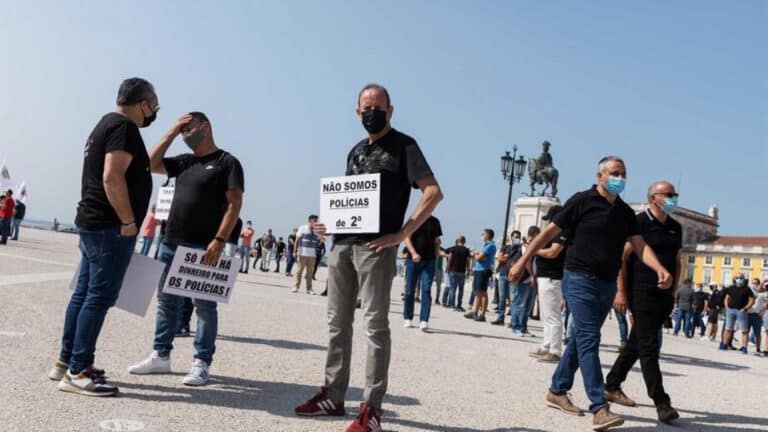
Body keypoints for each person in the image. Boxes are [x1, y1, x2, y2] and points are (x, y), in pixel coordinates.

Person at [295, 83, 442, 432]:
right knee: (337, 324)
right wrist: (328, 224)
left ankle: (371, 409)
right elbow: (350, 202)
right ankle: (333, 395)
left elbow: (433, 192)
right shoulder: (355, 151)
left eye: (377, 106)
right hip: (342, 246)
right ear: (357, 112)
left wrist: (402, 234)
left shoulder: (405, 146)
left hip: (376, 248)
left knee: (375, 326)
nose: (370, 112)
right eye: (365, 107)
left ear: (391, 110)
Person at [509, 156, 673, 431]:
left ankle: (557, 389)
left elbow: (639, 245)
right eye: (614, 172)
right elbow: (548, 232)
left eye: (623, 173)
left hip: (606, 284)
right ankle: (599, 406)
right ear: (600, 176)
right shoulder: (581, 201)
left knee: (578, 341)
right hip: (579, 279)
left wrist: (659, 268)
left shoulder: (624, 213)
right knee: (588, 338)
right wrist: (521, 261)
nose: (620, 177)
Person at [49, 77, 157, 396]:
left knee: (83, 293)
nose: (155, 110)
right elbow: (112, 177)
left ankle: (65, 362)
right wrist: (127, 220)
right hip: (110, 226)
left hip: (93, 223)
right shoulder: (123, 128)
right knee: (99, 296)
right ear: (143, 103)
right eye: (154, 103)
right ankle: (79, 373)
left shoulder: (103, 124)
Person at [128, 111, 244, 386]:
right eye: (182, 131)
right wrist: (171, 131)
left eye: (188, 129)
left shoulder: (227, 162)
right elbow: (150, 163)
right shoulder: (184, 162)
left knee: (204, 307)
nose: (185, 135)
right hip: (170, 242)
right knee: (166, 302)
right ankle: (160, 355)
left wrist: (219, 240)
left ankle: (201, 363)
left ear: (206, 127)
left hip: (204, 247)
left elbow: (234, 203)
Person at [604, 180, 683, 424]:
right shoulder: (638, 222)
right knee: (649, 347)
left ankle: (612, 384)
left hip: (664, 296)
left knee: (636, 344)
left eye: (674, 194)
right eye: (668, 194)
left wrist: (674, 291)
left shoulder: (675, 227)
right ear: (653, 198)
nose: (673, 198)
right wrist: (620, 292)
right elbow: (623, 258)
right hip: (641, 291)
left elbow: (677, 260)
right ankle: (661, 401)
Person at [529, 206, 568, 363]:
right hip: (544, 277)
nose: (549, 223)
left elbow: (553, 252)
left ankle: (555, 350)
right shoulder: (553, 234)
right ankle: (546, 346)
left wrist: (534, 250)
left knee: (553, 316)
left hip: (552, 278)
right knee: (546, 314)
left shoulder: (562, 233)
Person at [402, 215, 442, 331]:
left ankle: (424, 320)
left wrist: (436, 256)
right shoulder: (413, 219)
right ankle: (408, 318)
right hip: (413, 260)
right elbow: (407, 238)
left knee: (426, 289)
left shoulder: (435, 221)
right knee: (410, 290)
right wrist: (414, 253)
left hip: (429, 261)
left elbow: (437, 241)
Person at [509, 226, 539, 336]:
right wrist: (532, 275)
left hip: (532, 279)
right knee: (519, 304)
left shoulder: (535, 246)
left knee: (528, 306)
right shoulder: (524, 247)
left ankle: (523, 327)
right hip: (524, 279)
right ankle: (515, 326)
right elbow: (526, 262)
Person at [464, 229, 496, 322]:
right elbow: (480, 257)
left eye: (483, 234)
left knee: (482, 292)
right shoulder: (485, 245)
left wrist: (476, 255)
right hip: (479, 269)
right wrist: (477, 255)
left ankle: (482, 314)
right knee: (478, 292)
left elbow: (480, 258)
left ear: (488, 235)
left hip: (484, 270)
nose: (482, 235)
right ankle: (475, 311)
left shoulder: (490, 246)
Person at [719, 274, 755, 354]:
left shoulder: (747, 289)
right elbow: (727, 298)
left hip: (741, 311)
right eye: (737, 278)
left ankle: (744, 348)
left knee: (744, 330)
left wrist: (745, 308)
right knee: (728, 328)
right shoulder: (731, 288)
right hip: (731, 310)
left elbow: (752, 300)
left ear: (744, 279)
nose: (739, 279)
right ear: (735, 279)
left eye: (741, 278)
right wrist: (726, 307)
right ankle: (724, 344)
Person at [491, 230, 521, 325]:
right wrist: (509, 258)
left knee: (513, 298)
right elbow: (499, 258)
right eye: (515, 236)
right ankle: (500, 317)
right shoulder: (505, 247)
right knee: (502, 297)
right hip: (503, 274)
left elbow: (519, 261)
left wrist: (506, 258)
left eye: (518, 237)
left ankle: (513, 320)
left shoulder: (520, 249)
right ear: (511, 237)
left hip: (513, 276)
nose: (516, 239)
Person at [293, 215, 320, 294]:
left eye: (317, 221)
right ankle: (295, 286)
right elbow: (297, 240)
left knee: (310, 273)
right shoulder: (302, 228)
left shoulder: (316, 231)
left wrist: (321, 239)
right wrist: (294, 251)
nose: (316, 223)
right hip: (302, 253)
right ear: (310, 221)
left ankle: (309, 289)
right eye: (315, 221)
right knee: (299, 271)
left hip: (312, 255)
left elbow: (319, 241)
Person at [444, 236, 471, 310]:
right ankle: (459, 305)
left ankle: (451, 304)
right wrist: (468, 271)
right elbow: (468, 261)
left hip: (453, 270)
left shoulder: (453, 248)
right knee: (461, 289)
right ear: (464, 241)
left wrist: (447, 268)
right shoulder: (466, 250)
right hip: (462, 271)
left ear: (458, 241)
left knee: (453, 288)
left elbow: (450, 258)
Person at [747, 279, 766, 354]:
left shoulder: (763, 293)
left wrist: (762, 312)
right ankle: (744, 346)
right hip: (748, 313)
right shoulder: (749, 291)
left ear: (758, 284)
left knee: (757, 333)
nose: (753, 284)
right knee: (746, 331)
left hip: (757, 315)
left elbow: (765, 303)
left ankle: (758, 349)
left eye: (755, 283)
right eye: (752, 283)